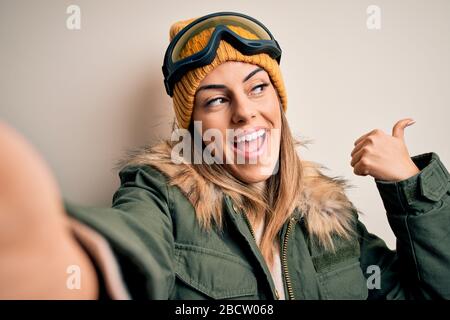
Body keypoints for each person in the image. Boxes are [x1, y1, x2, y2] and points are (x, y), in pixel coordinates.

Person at [1, 11, 449, 300]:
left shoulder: (331, 217)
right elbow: (129, 246)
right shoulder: (161, 196)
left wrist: (411, 188)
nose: (244, 112)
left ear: (278, 101)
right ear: (192, 127)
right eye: (215, 100)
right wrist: (61, 261)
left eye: (258, 87)